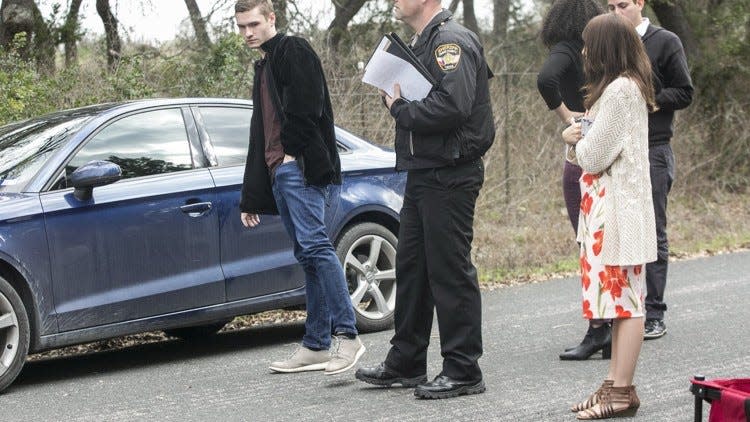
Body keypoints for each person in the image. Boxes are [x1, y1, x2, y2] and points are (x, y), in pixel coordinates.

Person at [354, 0, 495, 400]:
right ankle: (407, 361)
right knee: (412, 267)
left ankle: (464, 369)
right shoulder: (422, 42)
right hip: (424, 171)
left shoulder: (450, 41)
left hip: (450, 172)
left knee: (449, 269)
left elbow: (452, 106)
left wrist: (399, 107)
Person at [235, 0, 364, 375]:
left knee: (316, 248)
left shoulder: (293, 50)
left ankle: (349, 337)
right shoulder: (264, 66)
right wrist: (252, 194)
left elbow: (308, 106)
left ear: (272, 18)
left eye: (254, 24)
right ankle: (316, 345)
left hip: (304, 172)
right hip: (282, 174)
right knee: (308, 256)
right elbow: (259, 136)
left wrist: (291, 155)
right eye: (242, 26)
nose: (248, 33)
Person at [562, 13, 657, 419]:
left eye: (587, 43)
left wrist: (574, 140)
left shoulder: (620, 91)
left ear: (603, 48)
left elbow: (595, 155)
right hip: (604, 211)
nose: (583, 51)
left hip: (618, 212)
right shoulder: (615, 90)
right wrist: (578, 141)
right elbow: (590, 149)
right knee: (616, 303)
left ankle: (622, 391)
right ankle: (613, 387)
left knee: (628, 302)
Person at [607, 0, 693, 340]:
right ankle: (626, 309)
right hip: (617, 150)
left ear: (640, 3)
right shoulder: (611, 44)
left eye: (623, 5)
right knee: (619, 231)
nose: (616, 12)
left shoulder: (665, 41)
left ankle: (654, 313)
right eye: (610, 6)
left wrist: (647, 98)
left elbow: (685, 91)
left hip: (654, 148)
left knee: (652, 230)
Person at [536, 0, 609, 361]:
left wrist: (568, 118)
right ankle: (607, 325)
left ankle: (598, 329)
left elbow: (544, 79)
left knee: (587, 243)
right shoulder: (590, 52)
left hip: (581, 154)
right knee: (602, 243)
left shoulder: (565, 49)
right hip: (602, 152)